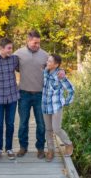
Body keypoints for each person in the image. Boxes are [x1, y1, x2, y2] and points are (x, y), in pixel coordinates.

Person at [13, 30, 66, 159]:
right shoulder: (18, 54)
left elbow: (55, 66)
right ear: (28, 40)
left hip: (40, 95)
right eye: (35, 42)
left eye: (39, 43)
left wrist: (62, 71)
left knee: (41, 124)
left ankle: (41, 148)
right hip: (24, 93)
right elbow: (6, 60)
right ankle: (23, 147)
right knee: (23, 123)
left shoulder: (45, 55)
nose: (37, 45)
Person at [42, 54, 74, 162]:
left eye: (50, 61)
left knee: (56, 128)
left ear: (56, 65)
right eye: (48, 61)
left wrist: (65, 102)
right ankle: (51, 150)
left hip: (56, 106)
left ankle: (68, 144)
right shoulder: (45, 72)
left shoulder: (60, 75)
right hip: (45, 105)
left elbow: (70, 89)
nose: (47, 62)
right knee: (48, 129)